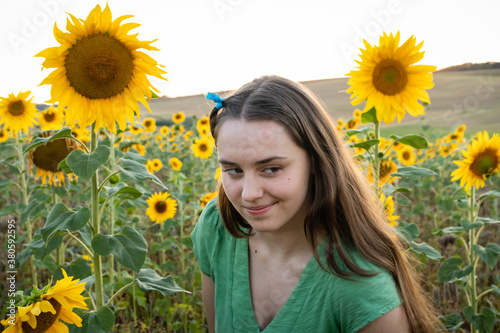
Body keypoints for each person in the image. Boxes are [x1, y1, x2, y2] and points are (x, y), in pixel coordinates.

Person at [191, 75, 440, 332]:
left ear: (316, 161)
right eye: (233, 170)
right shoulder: (217, 227)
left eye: (272, 169)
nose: (249, 194)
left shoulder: (360, 288)